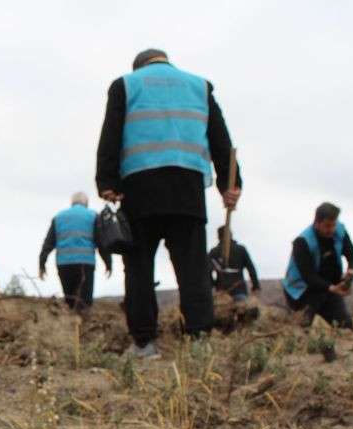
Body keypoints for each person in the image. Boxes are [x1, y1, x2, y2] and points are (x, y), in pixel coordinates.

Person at [96, 48, 241, 360]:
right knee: (193, 270)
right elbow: (221, 139)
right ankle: (200, 341)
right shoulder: (200, 86)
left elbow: (110, 133)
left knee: (138, 270)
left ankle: (144, 344)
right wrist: (231, 183)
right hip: (187, 190)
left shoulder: (126, 84)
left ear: (138, 67)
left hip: (140, 189)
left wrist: (107, 181)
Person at [282, 202, 353, 329]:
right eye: (327, 226)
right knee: (303, 327)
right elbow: (309, 277)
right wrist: (332, 288)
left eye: (334, 225)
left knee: (346, 326)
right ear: (317, 223)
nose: (332, 230)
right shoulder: (302, 242)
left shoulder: (340, 230)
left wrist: (351, 273)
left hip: (329, 287)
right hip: (302, 291)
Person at [38, 191, 112, 312]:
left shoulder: (58, 217)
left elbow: (48, 243)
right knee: (84, 303)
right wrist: (108, 263)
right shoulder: (93, 216)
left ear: (72, 203)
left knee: (70, 301)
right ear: (86, 203)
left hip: (64, 265)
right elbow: (101, 244)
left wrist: (42, 264)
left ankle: (71, 325)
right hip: (85, 264)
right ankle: (82, 327)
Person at [208, 226, 260, 302]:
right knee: (243, 311)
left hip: (221, 292)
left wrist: (213, 285)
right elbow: (251, 269)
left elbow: (206, 272)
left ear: (218, 236)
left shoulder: (213, 252)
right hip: (239, 291)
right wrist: (256, 286)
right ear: (231, 235)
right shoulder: (240, 249)